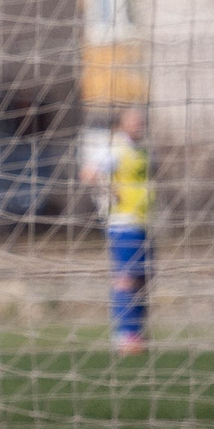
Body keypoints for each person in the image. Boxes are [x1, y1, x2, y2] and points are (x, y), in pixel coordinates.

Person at [82, 107, 151, 354]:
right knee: (126, 279)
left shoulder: (140, 150)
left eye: (142, 121)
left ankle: (138, 331)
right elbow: (88, 173)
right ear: (122, 124)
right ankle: (125, 335)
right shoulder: (114, 148)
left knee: (142, 279)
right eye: (134, 121)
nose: (140, 125)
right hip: (123, 222)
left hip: (142, 221)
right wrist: (111, 193)